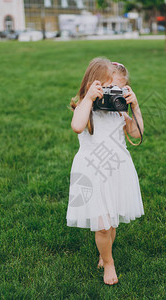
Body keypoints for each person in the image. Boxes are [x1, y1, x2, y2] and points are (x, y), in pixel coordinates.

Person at [67, 57, 145, 285]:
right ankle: (108, 263)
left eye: (118, 89)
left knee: (111, 223)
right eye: (107, 88)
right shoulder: (85, 107)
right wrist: (89, 99)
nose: (112, 94)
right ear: (93, 84)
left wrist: (134, 106)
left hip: (117, 169)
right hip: (91, 172)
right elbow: (77, 126)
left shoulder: (118, 111)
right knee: (102, 225)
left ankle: (105, 252)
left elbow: (137, 134)